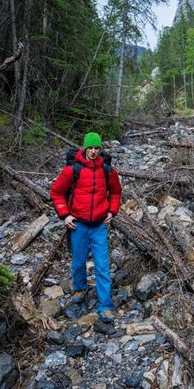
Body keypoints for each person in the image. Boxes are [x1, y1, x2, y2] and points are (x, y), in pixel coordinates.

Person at [50, 132, 122, 323]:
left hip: (99, 225)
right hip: (78, 225)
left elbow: (116, 192)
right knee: (78, 262)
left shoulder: (107, 170)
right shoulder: (72, 169)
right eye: (90, 147)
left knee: (102, 266)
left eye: (96, 148)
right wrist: (65, 215)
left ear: (100, 149)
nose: (93, 151)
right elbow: (56, 192)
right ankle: (80, 289)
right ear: (84, 147)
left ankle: (105, 306)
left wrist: (112, 211)